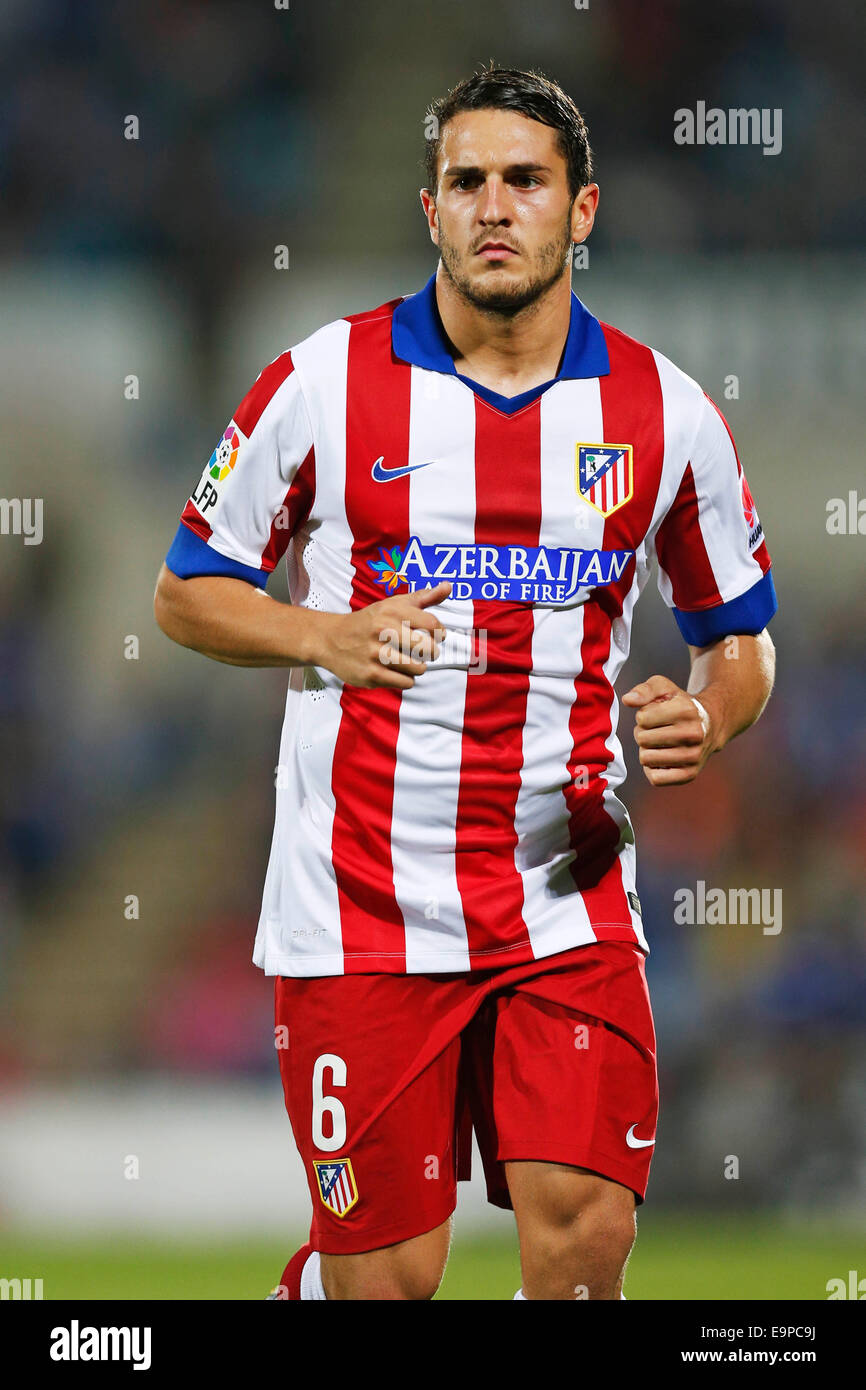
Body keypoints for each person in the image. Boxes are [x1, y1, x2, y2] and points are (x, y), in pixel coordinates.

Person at [153, 64, 777, 1300]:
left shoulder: (664, 412)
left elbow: (742, 637)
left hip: (565, 901)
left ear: (580, 210)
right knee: (388, 1276)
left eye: (525, 182)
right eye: (467, 182)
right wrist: (319, 636)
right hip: (359, 911)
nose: (495, 207)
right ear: (428, 208)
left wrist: (707, 711)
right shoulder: (321, 382)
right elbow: (184, 592)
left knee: (584, 1231)